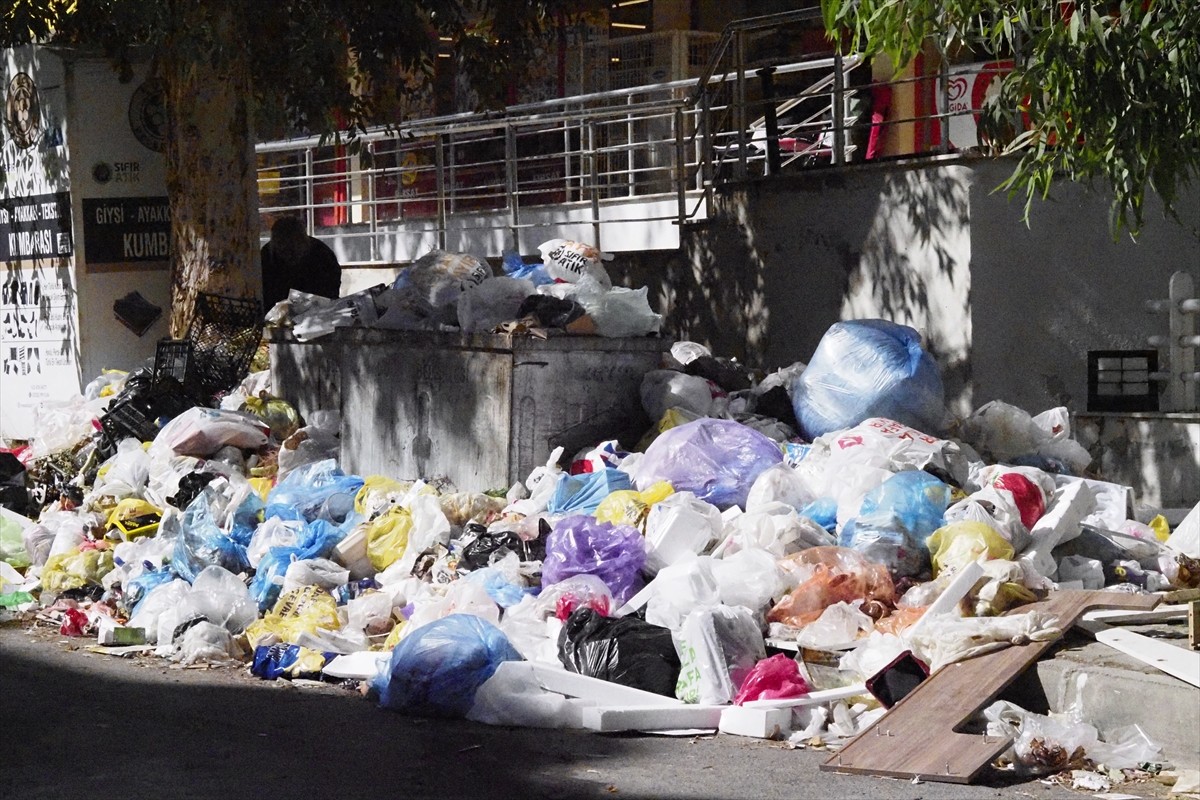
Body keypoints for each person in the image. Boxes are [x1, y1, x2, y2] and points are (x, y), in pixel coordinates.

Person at [260, 215, 341, 309]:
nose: (288, 252)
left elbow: (330, 292)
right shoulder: (266, 256)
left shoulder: (322, 255)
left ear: (303, 240)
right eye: (282, 245)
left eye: (293, 246)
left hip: (315, 309)